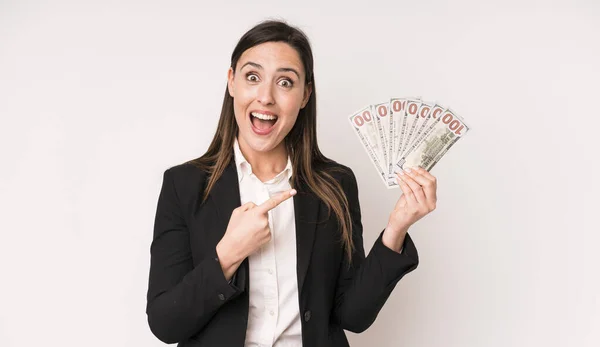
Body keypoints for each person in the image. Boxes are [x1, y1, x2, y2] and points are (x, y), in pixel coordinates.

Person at [146, 19, 438, 347]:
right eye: (252, 77)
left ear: (305, 95)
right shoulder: (183, 185)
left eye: (285, 82)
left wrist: (396, 231)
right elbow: (165, 324)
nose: (266, 97)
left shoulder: (335, 185)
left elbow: (353, 316)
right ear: (231, 82)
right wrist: (227, 255)